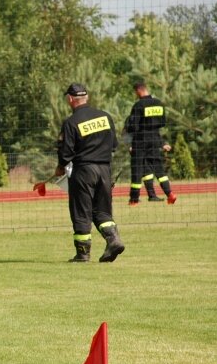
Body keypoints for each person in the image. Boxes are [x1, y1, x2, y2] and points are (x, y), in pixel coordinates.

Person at [55, 83, 124, 263]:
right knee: (102, 211)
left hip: (84, 171)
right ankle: (113, 239)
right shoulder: (105, 117)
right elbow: (114, 145)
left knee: (81, 211)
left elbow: (66, 152)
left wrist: (61, 166)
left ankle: (82, 254)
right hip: (105, 170)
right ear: (87, 97)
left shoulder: (71, 123)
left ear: (70, 99)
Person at [124, 81, 177, 206]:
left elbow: (133, 126)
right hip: (155, 139)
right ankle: (170, 194)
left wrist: (129, 131)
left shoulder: (138, 105)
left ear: (138, 91)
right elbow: (163, 122)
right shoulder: (159, 104)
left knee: (137, 170)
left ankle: (134, 200)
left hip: (140, 140)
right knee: (159, 169)